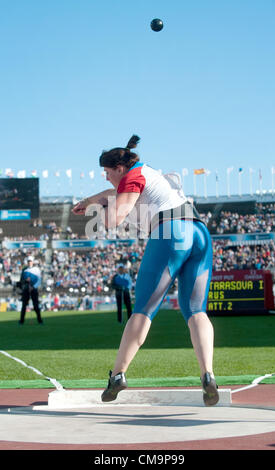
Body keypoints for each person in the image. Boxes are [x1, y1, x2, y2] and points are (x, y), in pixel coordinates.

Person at [72, 135, 218, 406]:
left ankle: (118, 375)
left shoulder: (131, 178)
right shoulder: (148, 173)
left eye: (106, 172)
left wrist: (100, 211)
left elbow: (114, 219)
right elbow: (112, 193)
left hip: (171, 234)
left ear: (119, 168)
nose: (105, 178)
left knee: (143, 309)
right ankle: (207, 374)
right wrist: (91, 199)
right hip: (200, 233)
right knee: (196, 310)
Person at [19, 255, 43, 325]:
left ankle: (40, 320)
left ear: (33, 262)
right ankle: (21, 321)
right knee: (24, 306)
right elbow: (21, 280)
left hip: (34, 289)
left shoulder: (36, 269)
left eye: (31, 261)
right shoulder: (24, 270)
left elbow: (39, 280)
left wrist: (33, 287)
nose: (29, 262)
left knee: (36, 306)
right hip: (26, 289)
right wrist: (25, 280)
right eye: (28, 261)